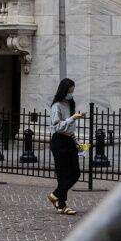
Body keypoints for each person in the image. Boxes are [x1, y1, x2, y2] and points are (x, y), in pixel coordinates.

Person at [47, 78, 85, 215]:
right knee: (63, 175)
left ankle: (55, 195)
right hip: (59, 141)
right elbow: (57, 126)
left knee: (75, 173)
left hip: (69, 140)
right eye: (69, 91)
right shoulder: (56, 106)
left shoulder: (70, 104)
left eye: (72, 91)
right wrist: (72, 118)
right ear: (64, 91)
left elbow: (70, 129)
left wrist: (76, 141)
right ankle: (61, 205)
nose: (71, 93)